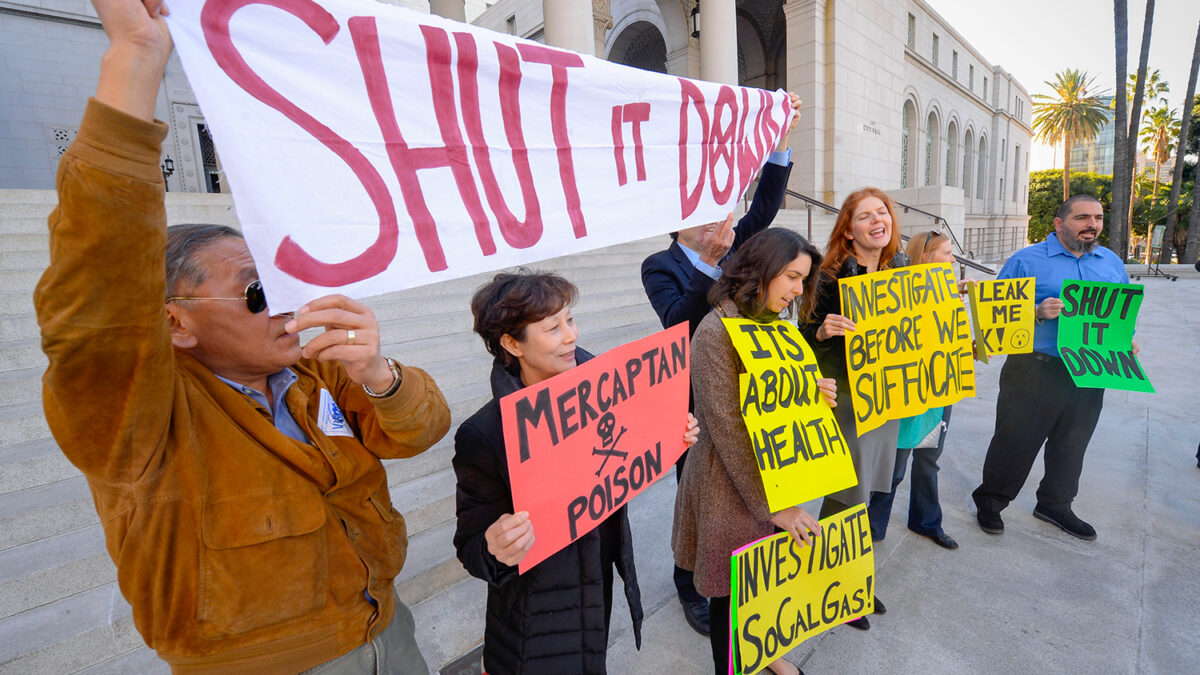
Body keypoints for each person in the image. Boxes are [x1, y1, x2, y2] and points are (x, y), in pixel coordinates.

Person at [33, 0, 452, 671]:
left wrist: (380, 373)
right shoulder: (138, 422)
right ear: (174, 321)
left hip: (384, 627)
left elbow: (423, 429)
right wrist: (137, 62)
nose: (284, 305)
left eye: (282, 283)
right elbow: (97, 303)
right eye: (259, 291)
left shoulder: (313, 367)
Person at [453, 271, 698, 674]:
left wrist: (671, 435)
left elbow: (626, 455)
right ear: (512, 344)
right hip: (535, 615)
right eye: (552, 328)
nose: (570, 336)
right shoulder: (486, 433)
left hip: (596, 587)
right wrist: (496, 548)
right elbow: (472, 549)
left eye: (570, 319)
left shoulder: (607, 391)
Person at [640, 92, 801, 637]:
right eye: (704, 215)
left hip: (746, 390)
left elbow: (766, 208)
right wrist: (708, 269)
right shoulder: (659, 265)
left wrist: (776, 140)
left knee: (737, 496)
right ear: (678, 225)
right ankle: (691, 588)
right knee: (696, 497)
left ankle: (732, 572)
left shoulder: (738, 247)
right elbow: (677, 326)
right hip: (689, 404)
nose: (720, 220)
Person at [673, 228, 834, 675]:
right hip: (729, 486)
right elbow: (725, 428)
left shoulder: (775, 324)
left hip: (775, 476)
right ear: (761, 271)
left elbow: (772, 398)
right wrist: (773, 507)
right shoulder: (714, 331)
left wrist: (809, 391)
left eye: (804, 279)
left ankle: (770, 656)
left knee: (765, 586)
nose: (799, 290)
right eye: (791, 277)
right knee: (731, 593)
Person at [972, 194, 1136, 541]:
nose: (1092, 225)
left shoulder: (1111, 263)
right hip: (1035, 368)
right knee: (1015, 440)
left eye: (1098, 218)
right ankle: (991, 501)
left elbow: (1121, 312)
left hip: (1090, 370)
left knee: (1072, 443)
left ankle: (1055, 504)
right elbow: (993, 315)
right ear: (1060, 224)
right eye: (1082, 218)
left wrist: (1126, 340)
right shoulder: (1026, 260)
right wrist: (1034, 311)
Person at [799, 187, 908, 629]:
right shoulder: (826, 277)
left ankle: (849, 581)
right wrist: (822, 331)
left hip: (889, 398)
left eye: (882, 212)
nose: (876, 220)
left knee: (866, 493)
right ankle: (835, 588)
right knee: (847, 493)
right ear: (848, 229)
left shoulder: (904, 271)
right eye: (865, 216)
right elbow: (799, 340)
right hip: (846, 397)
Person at [866, 231, 959, 550]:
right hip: (908, 392)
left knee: (930, 459)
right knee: (894, 466)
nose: (952, 259)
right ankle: (872, 527)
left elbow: (953, 341)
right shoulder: (897, 292)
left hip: (941, 389)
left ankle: (926, 521)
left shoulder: (952, 293)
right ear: (924, 257)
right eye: (946, 253)